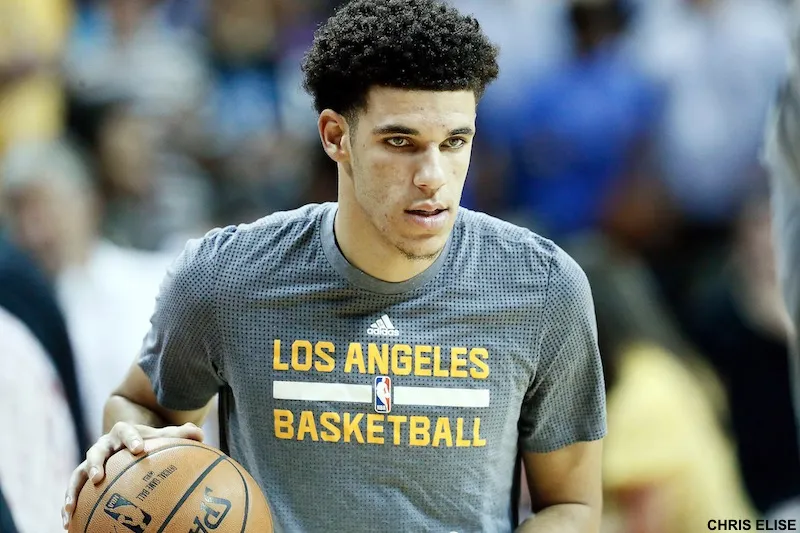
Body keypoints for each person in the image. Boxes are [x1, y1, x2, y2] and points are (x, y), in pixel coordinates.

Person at [62, 1, 607, 531]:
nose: (433, 176)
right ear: (335, 136)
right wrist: (130, 444)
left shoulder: (543, 289)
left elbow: (572, 504)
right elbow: (139, 406)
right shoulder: (225, 278)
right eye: (401, 142)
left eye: (454, 142)